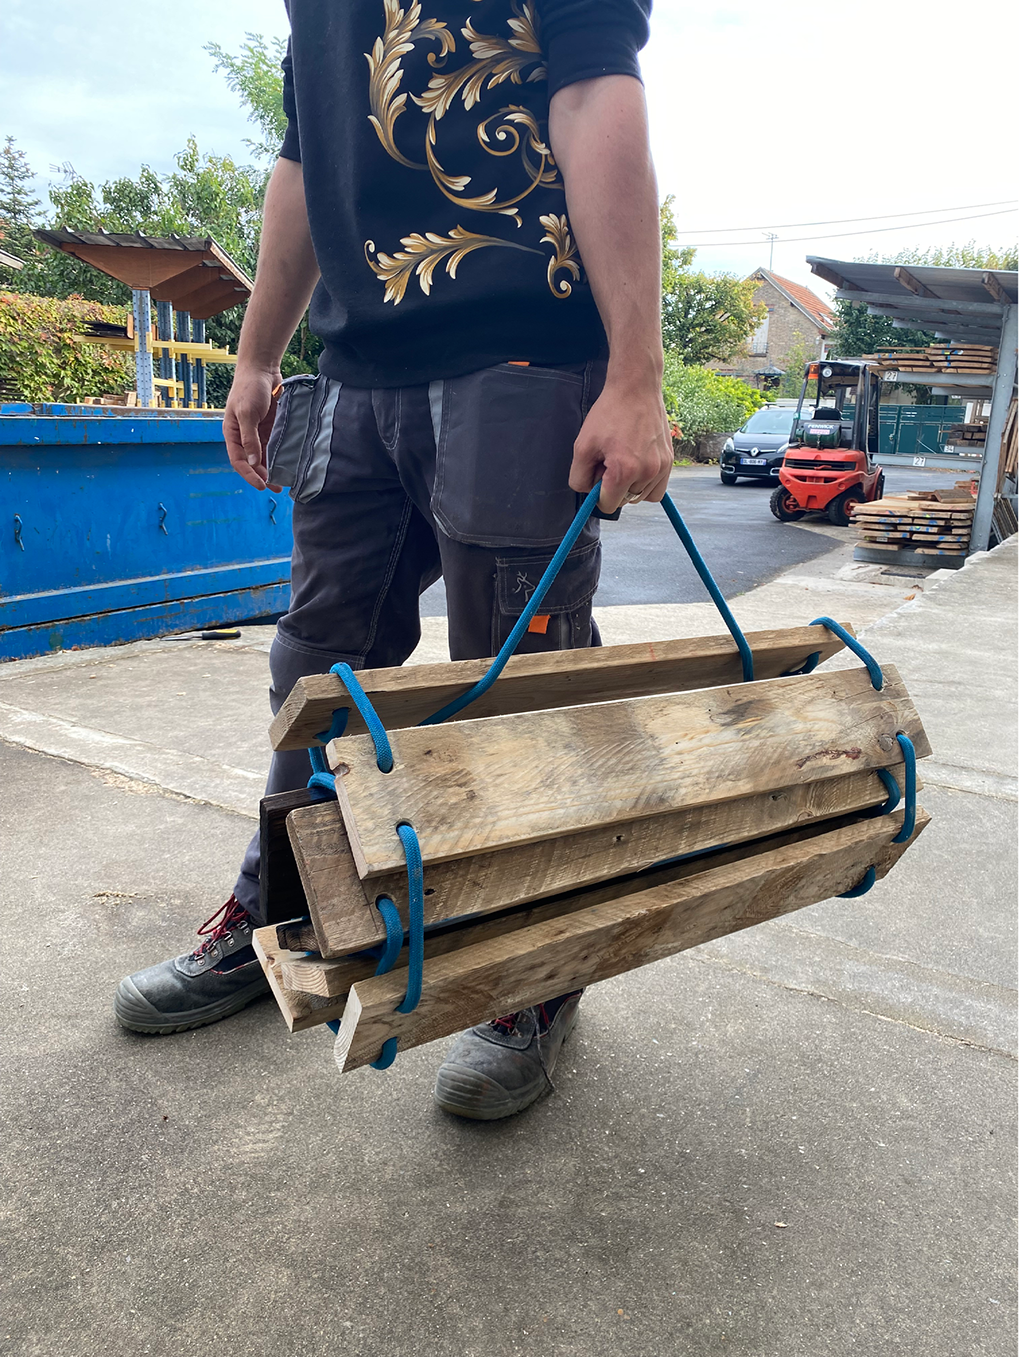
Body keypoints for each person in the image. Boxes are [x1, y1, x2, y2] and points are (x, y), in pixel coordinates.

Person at [113, 0, 672, 1122]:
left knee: (513, 686)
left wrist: (637, 372)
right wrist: (256, 354)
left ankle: (534, 971)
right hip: (356, 371)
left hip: (521, 356)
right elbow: (305, 158)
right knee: (317, 666)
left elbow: (593, 95)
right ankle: (289, 908)